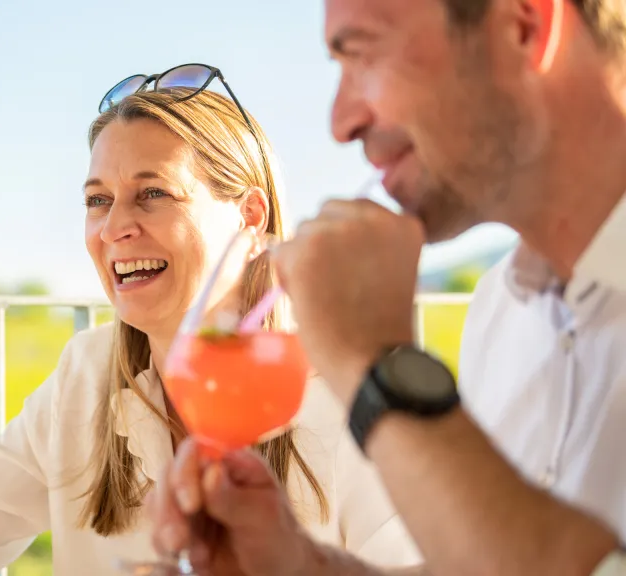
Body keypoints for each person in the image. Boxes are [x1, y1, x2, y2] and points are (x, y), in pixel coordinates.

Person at [0, 66, 423, 576]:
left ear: (249, 217)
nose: (114, 228)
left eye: (152, 194)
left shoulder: (341, 391)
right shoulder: (87, 375)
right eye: (98, 200)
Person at [148, 0, 626, 574]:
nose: (341, 123)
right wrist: (302, 566)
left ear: (523, 26)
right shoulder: (503, 309)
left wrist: (379, 367)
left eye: (364, 55)